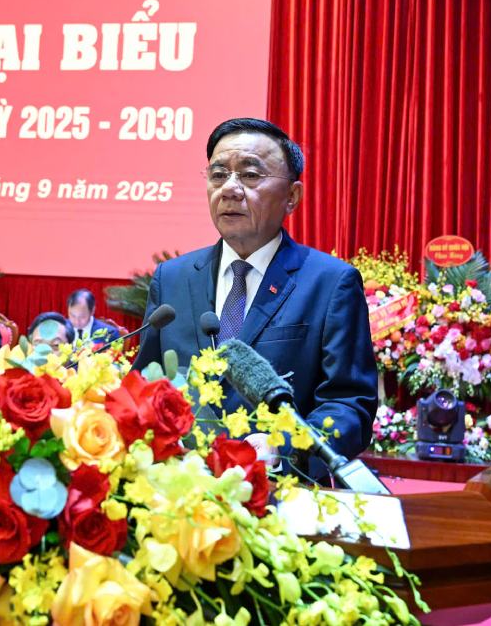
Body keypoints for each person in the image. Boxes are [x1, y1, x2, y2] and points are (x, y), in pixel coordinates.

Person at [132, 117, 377, 465]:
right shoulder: (172, 278)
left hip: (280, 488)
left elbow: (350, 406)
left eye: (250, 175)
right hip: (180, 486)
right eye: (218, 175)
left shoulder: (330, 283)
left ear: (292, 196)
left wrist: (282, 447)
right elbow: (145, 386)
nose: (230, 189)